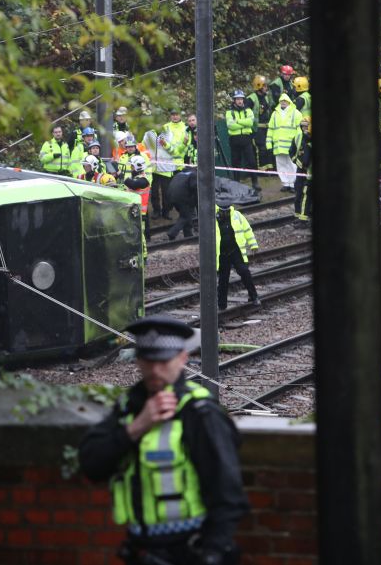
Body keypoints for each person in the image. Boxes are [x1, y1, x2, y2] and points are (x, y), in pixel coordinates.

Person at [78, 315, 248, 565]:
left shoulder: (200, 413)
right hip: (142, 550)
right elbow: (92, 465)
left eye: (163, 360)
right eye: (148, 360)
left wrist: (211, 553)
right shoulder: (130, 407)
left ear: (182, 358)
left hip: (191, 551)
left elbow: (228, 495)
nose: (155, 369)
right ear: (138, 360)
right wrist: (137, 427)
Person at [215, 202, 260, 310]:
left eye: (226, 211)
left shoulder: (237, 216)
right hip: (222, 254)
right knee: (223, 279)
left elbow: (247, 230)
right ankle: (222, 305)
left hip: (236, 251)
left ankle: (254, 297)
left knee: (245, 272)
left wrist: (253, 245)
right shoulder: (212, 218)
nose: (224, 213)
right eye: (222, 211)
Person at [267, 94, 302, 192]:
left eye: (285, 101)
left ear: (288, 101)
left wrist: (298, 144)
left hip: (291, 145)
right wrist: (269, 143)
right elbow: (271, 129)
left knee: (292, 164)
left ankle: (293, 184)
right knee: (281, 164)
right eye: (281, 101)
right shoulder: (274, 114)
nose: (283, 102)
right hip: (278, 145)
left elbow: (300, 131)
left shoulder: (296, 113)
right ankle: (286, 183)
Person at [225, 90, 258, 190]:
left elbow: (250, 123)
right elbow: (230, 125)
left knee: (252, 161)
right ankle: (236, 184)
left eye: (241, 99)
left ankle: (255, 182)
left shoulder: (248, 110)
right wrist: (244, 123)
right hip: (235, 139)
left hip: (246, 138)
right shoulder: (229, 112)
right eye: (237, 99)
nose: (239, 101)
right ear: (234, 100)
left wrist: (238, 121)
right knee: (236, 162)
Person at [143, 130, 177, 221]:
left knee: (166, 193)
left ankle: (166, 211)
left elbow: (175, 150)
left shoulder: (170, 133)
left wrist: (166, 144)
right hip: (153, 168)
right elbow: (143, 148)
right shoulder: (148, 133)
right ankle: (156, 211)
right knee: (154, 192)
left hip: (166, 168)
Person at [245, 75, 274, 171]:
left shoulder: (266, 98)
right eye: (264, 86)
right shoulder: (250, 99)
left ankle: (269, 169)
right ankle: (260, 170)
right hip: (256, 129)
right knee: (260, 149)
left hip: (266, 127)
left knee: (268, 148)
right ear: (259, 87)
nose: (266, 88)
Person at [290, 117, 313, 225]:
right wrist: (297, 162)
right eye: (303, 126)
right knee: (299, 191)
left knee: (307, 194)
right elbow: (292, 152)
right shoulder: (298, 137)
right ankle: (298, 215)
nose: (304, 128)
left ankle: (306, 216)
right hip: (300, 170)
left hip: (308, 171)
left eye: (306, 126)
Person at [165, 167, 197, 240]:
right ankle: (172, 233)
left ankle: (188, 234)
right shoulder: (193, 175)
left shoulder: (179, 174)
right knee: (185, 216)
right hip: (182, 197)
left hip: (171, 196)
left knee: (186, 214)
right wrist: (196, 202)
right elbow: (195, 188)